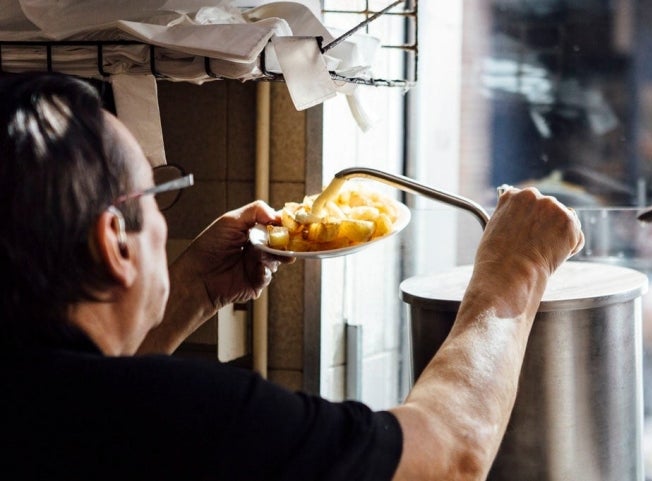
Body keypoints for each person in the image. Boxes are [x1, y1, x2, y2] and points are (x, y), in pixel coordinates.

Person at [0, 72, 584, 481]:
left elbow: (97, 407)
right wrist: (517, 269)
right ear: (113, 244)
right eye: (158, 195)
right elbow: (449, 461)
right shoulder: (200, 418)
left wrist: (196, 288)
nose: (161, 218)